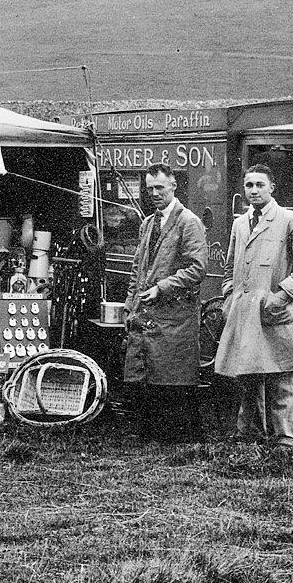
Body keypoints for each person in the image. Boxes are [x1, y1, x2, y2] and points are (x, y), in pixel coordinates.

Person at [213, 164, 293, 449]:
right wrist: (229, 296)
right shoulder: (240, 223)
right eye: (248, 185)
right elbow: (229, 267)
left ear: (272, 188)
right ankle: (250, 432)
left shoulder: (291, 220)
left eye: (259, 185)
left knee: (282, 376)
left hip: (275, 311)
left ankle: (286, 439)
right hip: (244, 313)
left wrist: (280, 297)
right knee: (247, 375)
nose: (253, 190)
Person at [123, 163, 207, 441]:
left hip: (175, 317)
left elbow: (197, 268)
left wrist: (163, 287)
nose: (155, 193)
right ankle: (149, 434)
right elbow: (138, 269)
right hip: (147, 315)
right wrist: (129, 306)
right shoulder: (148, 224)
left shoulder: (189, 222)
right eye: (150, 189)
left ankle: (176, 438)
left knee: (171, 376)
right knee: (147, 374)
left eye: (160, 187)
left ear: (174, 186)